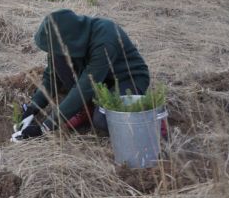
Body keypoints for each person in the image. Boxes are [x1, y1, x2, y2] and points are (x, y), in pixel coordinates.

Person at [13, 9, 150, 140]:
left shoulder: (105, 37)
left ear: (69, 40)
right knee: (58, 60)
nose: (51, 52)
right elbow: (51, 76)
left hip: (127, 79)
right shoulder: (66, 42)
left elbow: (84, 88)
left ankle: (148, 123)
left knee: (101, 119)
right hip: (98, 79)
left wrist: (45, 127)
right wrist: (32, 108)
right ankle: (86, 108)